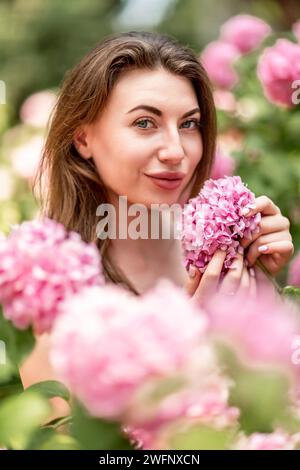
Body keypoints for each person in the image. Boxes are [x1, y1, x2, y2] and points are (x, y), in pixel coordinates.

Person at [21, 31, 293, 416]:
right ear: (82, 139)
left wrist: (266, 288)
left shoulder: (217, 254)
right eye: (145, 123)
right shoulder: (49, 289)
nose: (176, 151)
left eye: (189, 124)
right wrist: (190, 346)